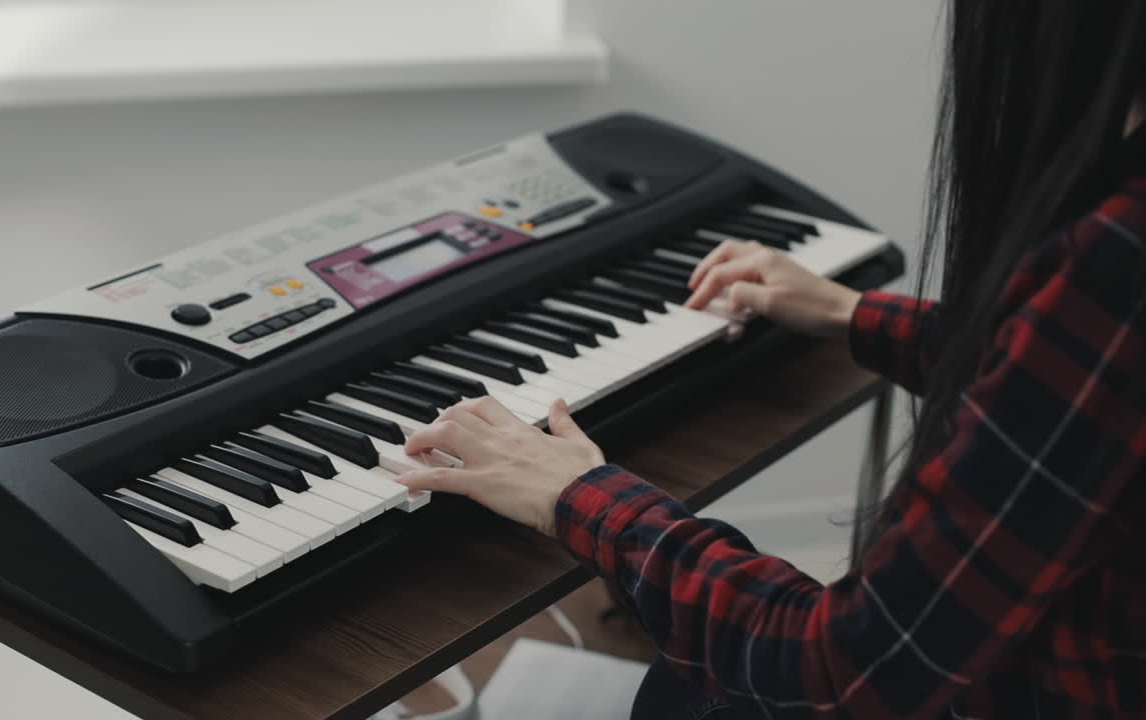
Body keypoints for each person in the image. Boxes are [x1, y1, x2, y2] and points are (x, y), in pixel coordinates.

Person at [397, 2, 1146, 717]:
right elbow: (1069, 386)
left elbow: (842, 673)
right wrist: (850, 310)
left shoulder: (1115, 259)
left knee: (688, 695)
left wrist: (579, 494)